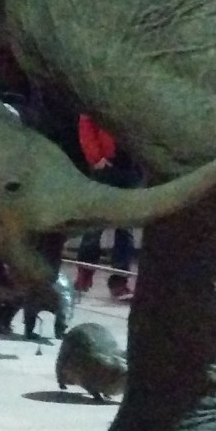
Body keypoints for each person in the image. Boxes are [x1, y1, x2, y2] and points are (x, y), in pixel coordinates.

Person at [73, 112, 138, 301]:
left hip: (130, 167)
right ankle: (85, 273)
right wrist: (96, 158)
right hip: (106, 166)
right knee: (95, 224)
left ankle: (119, 280)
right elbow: (86, 122)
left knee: (126, 229)